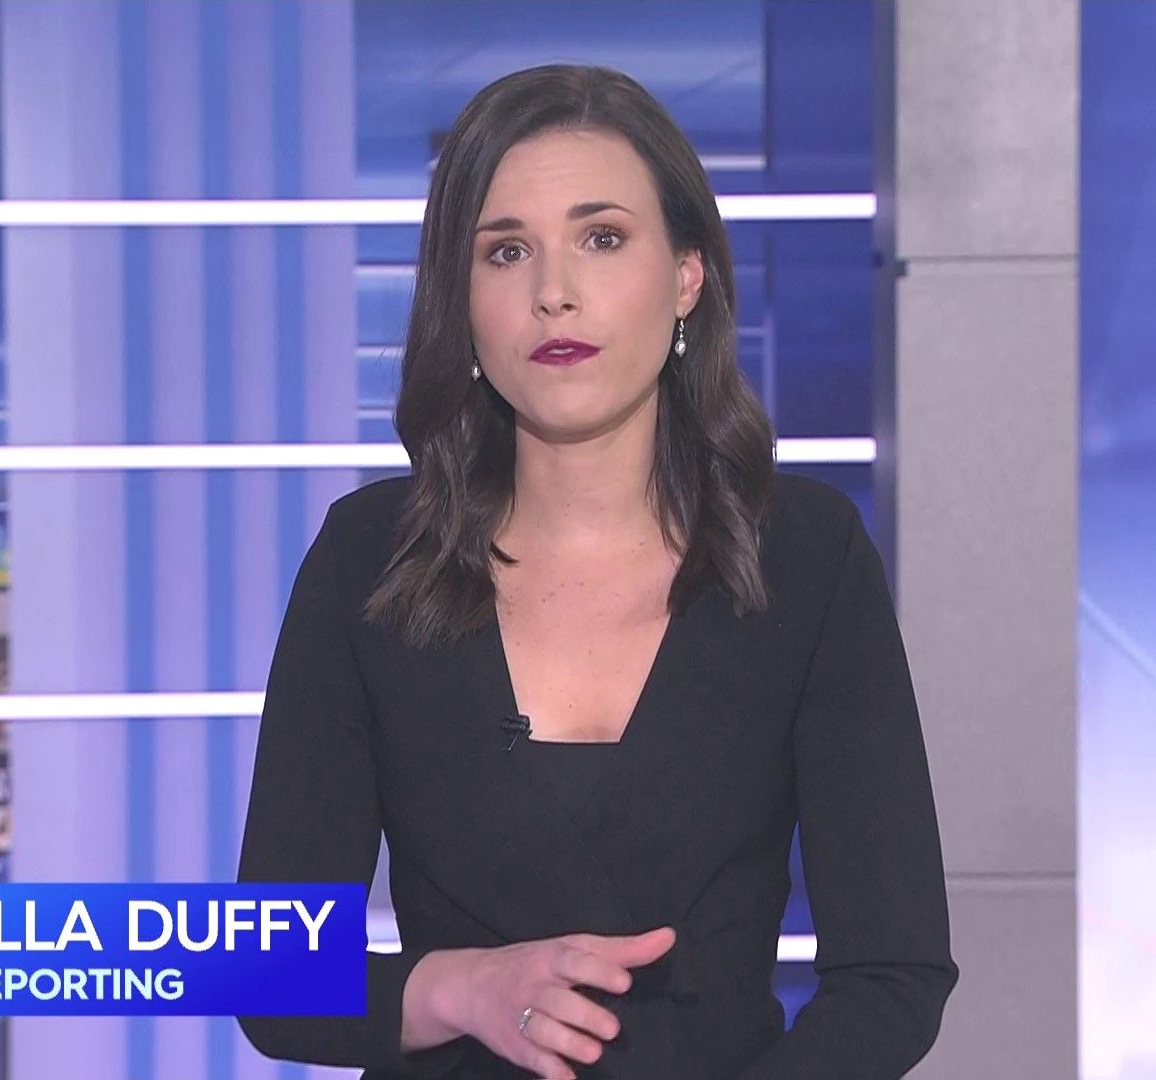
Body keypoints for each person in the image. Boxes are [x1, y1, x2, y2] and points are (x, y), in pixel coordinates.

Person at [237, 64, 955, 1079]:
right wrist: (453, 988)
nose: (554, 292)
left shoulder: (806, 556)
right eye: (506, 251)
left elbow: (894, 975)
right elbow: (266, 975)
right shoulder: (369, 559)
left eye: (603, 238)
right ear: (462, 301)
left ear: (687, 278)